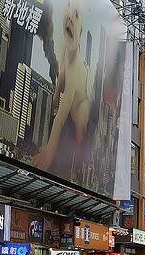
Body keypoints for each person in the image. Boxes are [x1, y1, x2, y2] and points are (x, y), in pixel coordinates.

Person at [32, 0, 92, 173]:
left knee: (80, 120)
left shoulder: (76, 69)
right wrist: (52, 105)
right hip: (71, 112)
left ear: (80, 33)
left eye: (76, 16)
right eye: (69, 13)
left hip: (81, 107)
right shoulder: (66, 56)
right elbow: (59, 87)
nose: (70, 19)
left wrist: (47, 158)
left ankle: (78, 165)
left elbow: (61, 118)